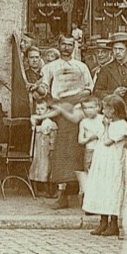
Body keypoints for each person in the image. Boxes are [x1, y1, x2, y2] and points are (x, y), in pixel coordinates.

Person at [83, 94, 127, 235]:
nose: (103, 112)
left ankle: (113, 223)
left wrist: (106, 126)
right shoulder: (107, 124)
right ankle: (103, 222)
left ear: (114, 110)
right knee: (101, 188)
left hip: (113, 162)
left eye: (106, 109)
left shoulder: (122, 125)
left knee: (112, 189)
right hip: (102, 161)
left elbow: (108, 141)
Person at [45, 71, 87, 208]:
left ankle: (84, 198)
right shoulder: (58, 99)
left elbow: (78, 117)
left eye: (70, 81)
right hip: (63, 137)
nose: (67, 83)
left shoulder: (82, 99)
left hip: (78, 137)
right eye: (64, 81)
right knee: (61, 166)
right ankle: (62, 196)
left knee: (79, 167)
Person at [30, 96, 55, 191]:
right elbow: (34, 124)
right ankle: (37, 186)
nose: (39, 111)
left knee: (45, 165)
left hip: (45, 147)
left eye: (42, 109)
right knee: (37, 163)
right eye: (37, 109)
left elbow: (45, 130)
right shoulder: (37, 120)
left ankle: (46, 187)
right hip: (38, 147)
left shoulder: (48, 122)